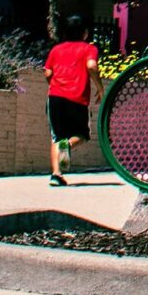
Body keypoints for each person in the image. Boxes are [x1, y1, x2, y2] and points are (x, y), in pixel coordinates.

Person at [42, 18, 100, 186]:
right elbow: (91, 66)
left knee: (56, 137)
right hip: (77, 98)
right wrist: (100, 87)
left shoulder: (56, 49)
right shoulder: (89, 48)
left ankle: (56, 174)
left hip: (55, 98)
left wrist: (56, 86)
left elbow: (47, 73)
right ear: (85, 33)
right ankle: (67, 145)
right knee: (82, 135)